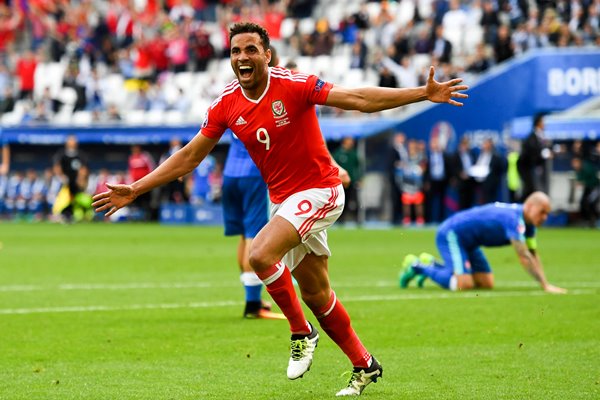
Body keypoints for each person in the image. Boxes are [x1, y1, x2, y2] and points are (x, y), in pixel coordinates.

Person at [92, 22, 468, 397]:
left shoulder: (294, 84)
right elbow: (191, 156)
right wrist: (136, 189)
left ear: (267, 55)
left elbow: (358, 99)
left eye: (251, 50)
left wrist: (422, 92)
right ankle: (364, 365)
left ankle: (301, 333)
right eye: (236, 51)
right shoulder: (226, 104)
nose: (243, 57)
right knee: (317, 294)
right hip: (285, 202)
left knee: (259, 254)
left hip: (321, 191)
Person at [399, 191, 567, 294]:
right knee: (462, 285)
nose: (544, 217)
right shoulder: (514, 219)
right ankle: (418, 265)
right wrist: (545, 286)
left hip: (470, 242)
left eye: (547, 214)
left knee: (486, 283)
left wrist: (545, 284)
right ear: (529, 206)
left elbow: (532, 254)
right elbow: (523, 256)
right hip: (452, 234)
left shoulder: (529, 226)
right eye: (542, 212)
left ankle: (433, 264)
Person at [53, 135, 88, 222]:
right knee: (64, 200)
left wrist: (81, 179)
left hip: (76, 183)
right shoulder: (62, 154)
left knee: (77, 200)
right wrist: (61, 177)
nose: (72, 142)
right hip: (65, 182)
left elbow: (83, 168)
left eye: (74, 140)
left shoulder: (80, 154)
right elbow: (57, 167)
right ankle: (63, 215)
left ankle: (78, 215)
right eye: (70, 140)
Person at [518, 114, 552, 200]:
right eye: (543, 122)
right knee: (531, 193)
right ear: (538, 123)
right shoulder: (531, 138)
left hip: (539, 170)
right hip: (530, 171)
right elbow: (531, 153)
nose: (545, 124)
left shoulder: (542, 136)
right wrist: (544, 154)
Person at [332, 136, 362, 225]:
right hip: (341, 183)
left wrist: (359, 178)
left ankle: (358, 220)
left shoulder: (354, 154)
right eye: (349, 141)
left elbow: (358, 167)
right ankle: (340, 220)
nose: (351, 142)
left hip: (352, 181)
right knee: (341, 201)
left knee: (355, 201)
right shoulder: (338, 154)